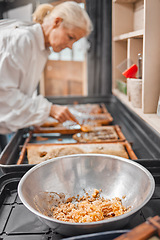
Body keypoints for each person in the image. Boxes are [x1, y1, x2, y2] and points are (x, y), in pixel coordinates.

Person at [0, 1, 93, 135]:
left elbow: (20, 89)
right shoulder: (22, 39)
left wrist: (34, 118)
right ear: (57, 22)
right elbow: (3, 96)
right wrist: (48, 109)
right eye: (70, 37)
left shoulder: (41, 48)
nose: (70, 46)